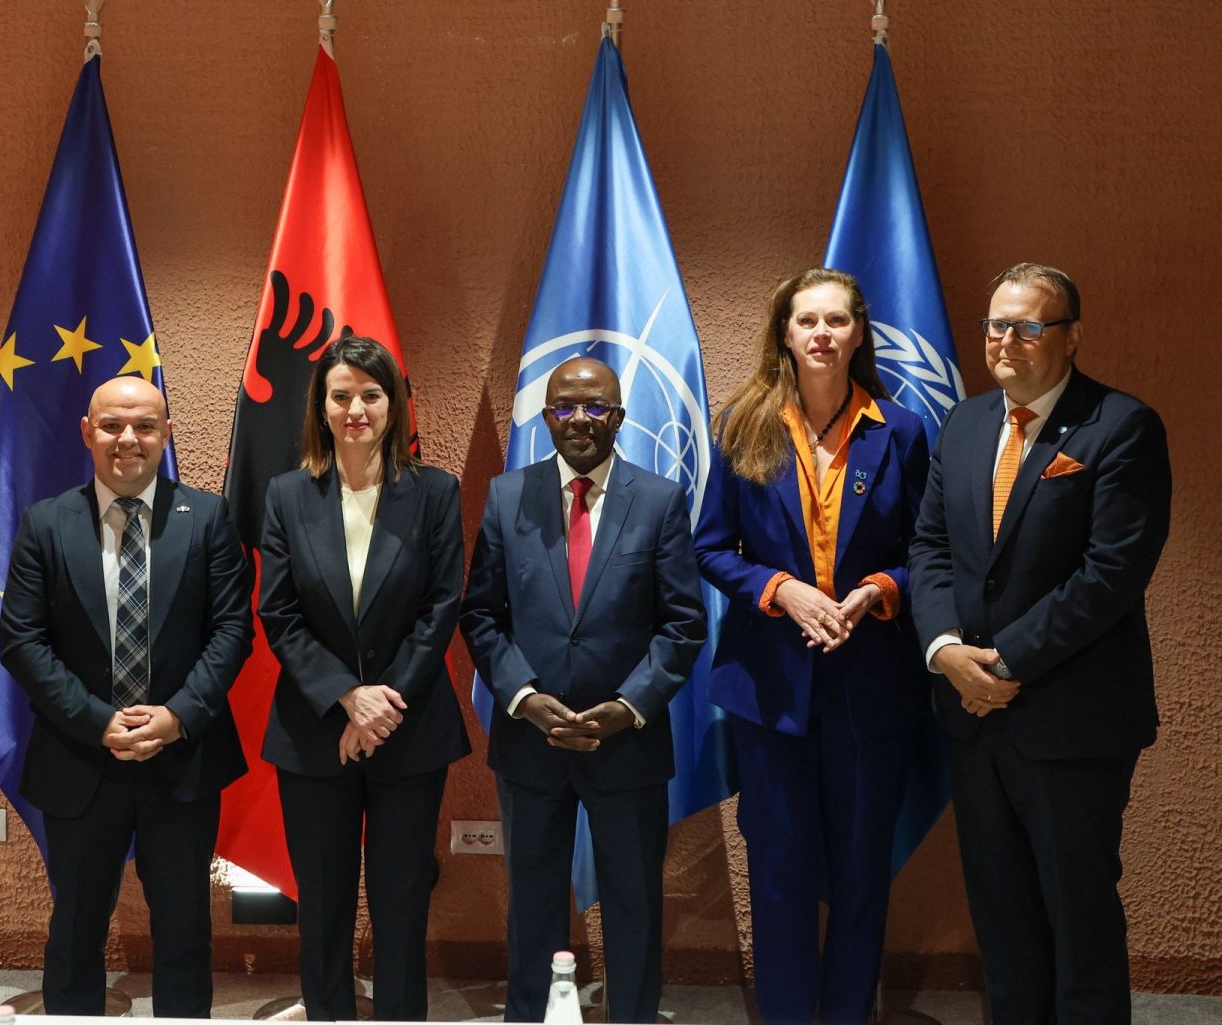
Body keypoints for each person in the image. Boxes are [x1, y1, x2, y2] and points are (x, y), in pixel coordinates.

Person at [909, 264, 1171, 1025]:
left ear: (1071, 336)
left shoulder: (1120, 426)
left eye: (1029, 326)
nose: (1006, 341)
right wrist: (944, 650)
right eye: (997, 325)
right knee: (1003, 921)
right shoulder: (963, 426)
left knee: (1078, 919)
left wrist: (1001, 663)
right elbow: (929, 547)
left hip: (1070, 722)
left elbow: (1109, 574)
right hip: (973, 718)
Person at [694, 269, 930, 1025]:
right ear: (785, 335)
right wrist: (780, 589)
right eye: (807, 321)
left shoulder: (901, 430)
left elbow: (927, 551)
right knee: (780, 871)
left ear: (859, 332)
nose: (822, 334)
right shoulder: (743, 425)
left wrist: (880, 589)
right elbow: (710, 548)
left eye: (837, 320)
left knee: (862, 872)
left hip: (871, 682)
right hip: (771, 687)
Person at [0, 375, 253, 1017]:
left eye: (144, 425)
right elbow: (22, 641)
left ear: (166, 434)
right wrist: (99, 722)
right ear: (88, 433)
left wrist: (176, 717)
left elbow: (232, 632)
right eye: (112, 425)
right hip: (81, 756)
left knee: (185, 928)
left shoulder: (208, 518)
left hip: (182, 756)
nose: (127, 439)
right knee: (76, 926)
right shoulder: (46, 523)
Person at [461, 356, 705, 1024]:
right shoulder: (508, 496)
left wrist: (628, 707)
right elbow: (481, 615)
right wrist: (524, 697)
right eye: (564, 406)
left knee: (634, 903)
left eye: (595, 406)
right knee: (532, 903)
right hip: (531, 741)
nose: (579, 419)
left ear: (618, 417)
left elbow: (683, 624)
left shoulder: (658, 501)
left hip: (626, 743)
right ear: (545, 417)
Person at [258, 335, 470, 1021]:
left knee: (402, 901)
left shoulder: (434, 492)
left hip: (410, 730)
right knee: (322, 904)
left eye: (371, 395)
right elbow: (278, 612)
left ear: (394, 404)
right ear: (321, 406)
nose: (356, 409)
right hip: (315, 730)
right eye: (341, 395)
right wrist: (347, 698)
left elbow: (441, 607)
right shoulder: (288, 495)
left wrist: (381, 707)